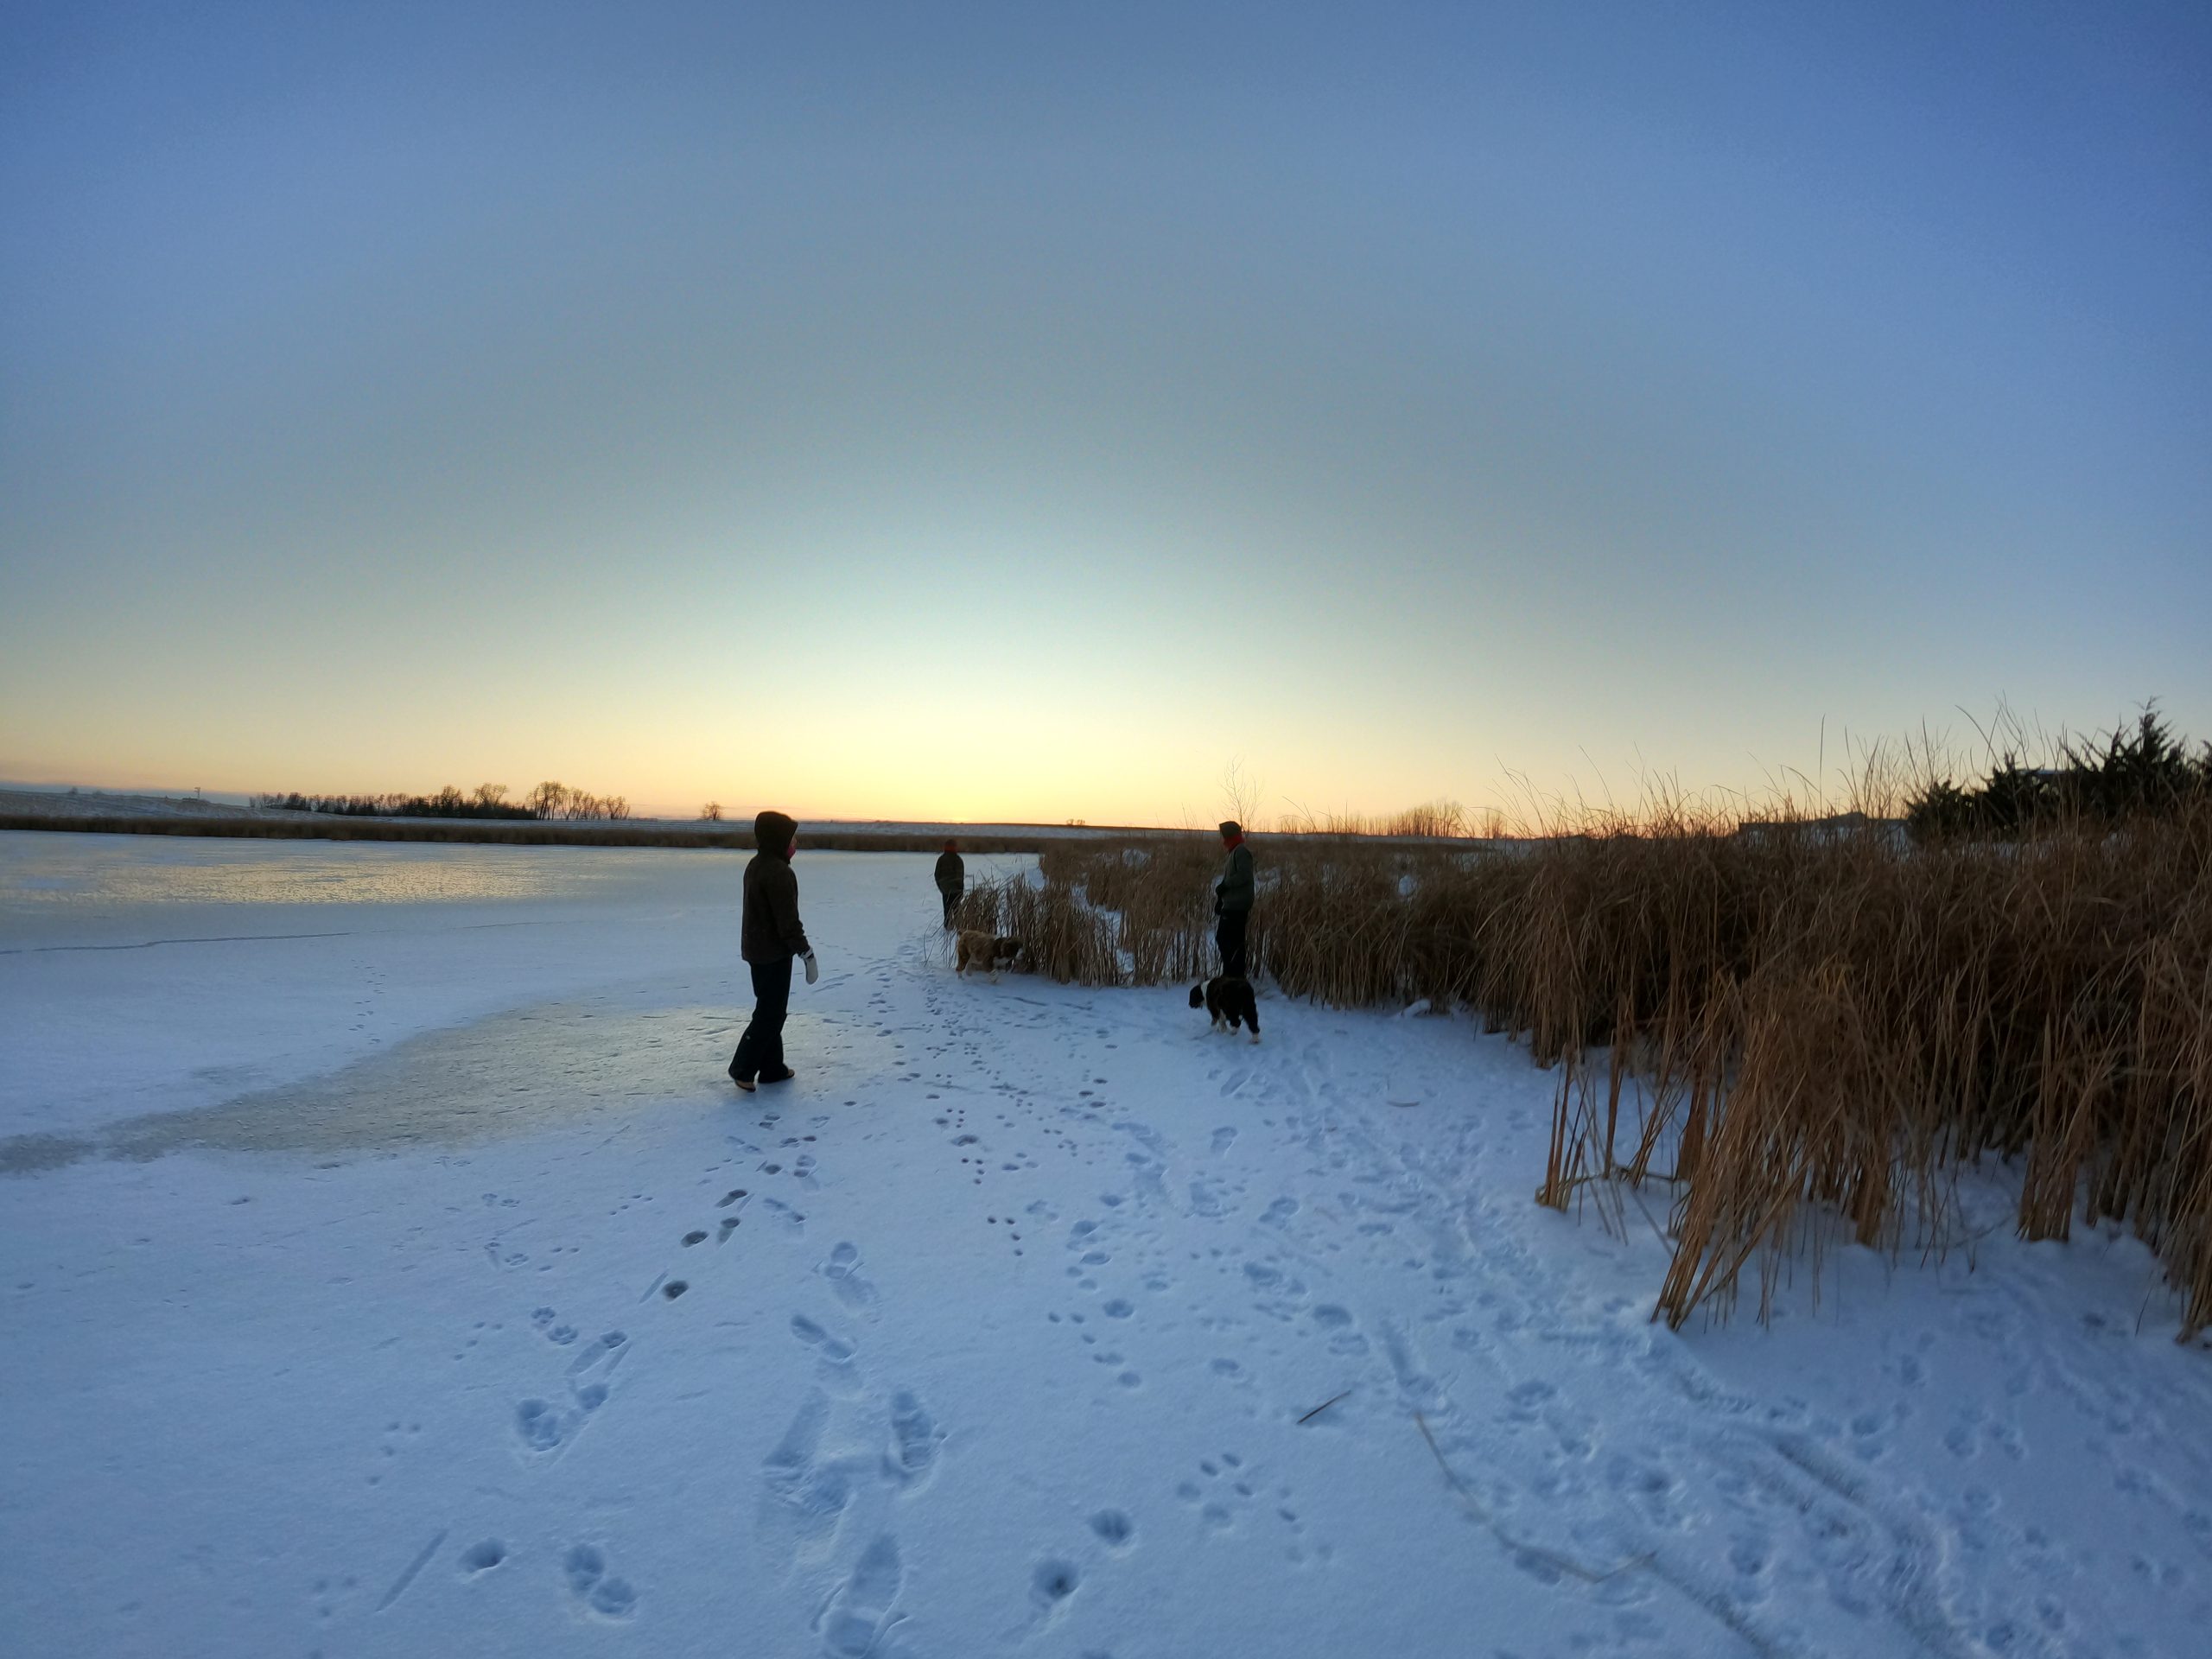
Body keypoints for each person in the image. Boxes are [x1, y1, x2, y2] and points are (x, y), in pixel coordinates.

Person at [728, 809, 817, 1091]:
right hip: (772, 953)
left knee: (770, 1009)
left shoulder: (757, 864)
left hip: (757, 949)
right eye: (792, 838)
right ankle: (743, 1068)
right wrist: (806, 953)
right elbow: (788, 922)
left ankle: (772, 1068)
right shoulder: (779, 872)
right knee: (771, 1013)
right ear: (779, 840)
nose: (795, 844)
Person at [1214, 819, 1254, 978]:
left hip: (1238, 906)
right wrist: (1221, 899)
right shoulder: (1234, 851)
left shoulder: (1241, 852)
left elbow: (1244, 876)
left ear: (1229, 836)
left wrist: (1225, 885)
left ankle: (1234, 975)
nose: (1222, 839)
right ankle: (1232, 974)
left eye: (1224, 835)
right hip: (1232, 904)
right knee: (1228, 940)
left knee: (1228, 940)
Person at [934, 838, 965, 930]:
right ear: (954, 847)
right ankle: (958, 928)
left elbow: (937, 875)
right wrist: (961, 889)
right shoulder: (958, 859)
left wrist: (941, 887)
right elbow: (960, 876)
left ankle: (948, 928)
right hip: (956, 890)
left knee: (947, 911)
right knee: (956, 910)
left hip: (945, 890)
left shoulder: (941, 859)